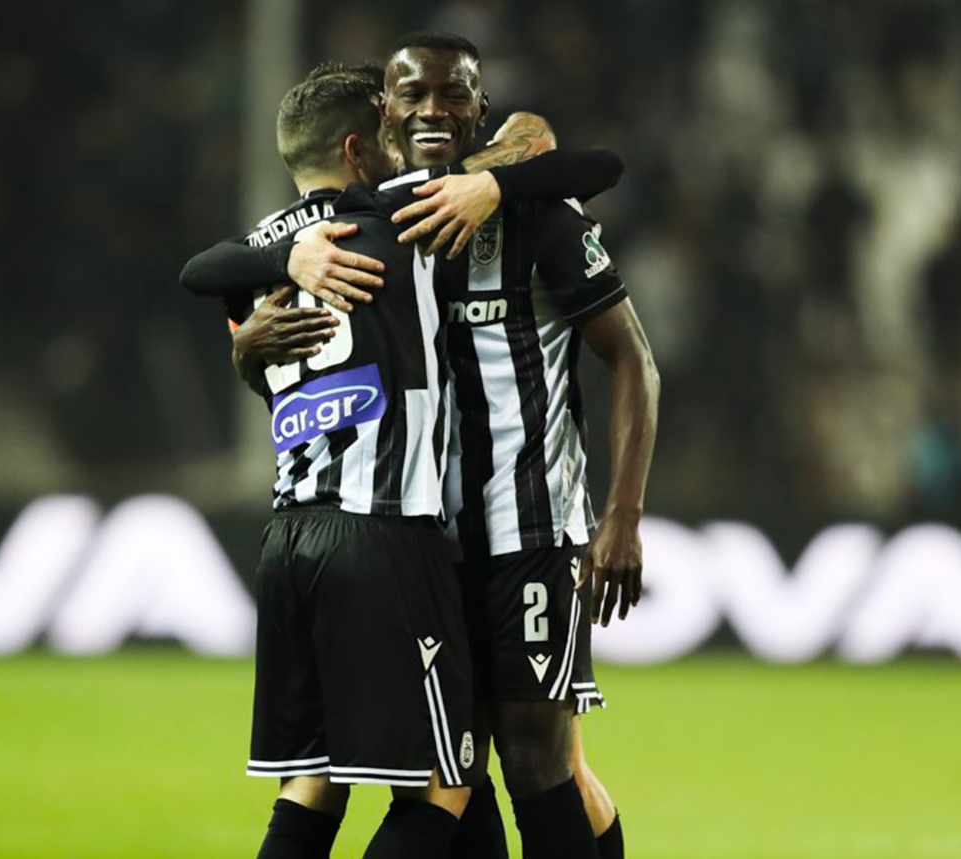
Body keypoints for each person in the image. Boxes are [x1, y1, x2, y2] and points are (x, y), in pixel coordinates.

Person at [178, 63, 623, 859]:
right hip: (384, 536)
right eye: (390, 128)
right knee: (449, 780)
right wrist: (493, 183)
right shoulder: (398, 215)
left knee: (312, 784)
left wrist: (282, 265)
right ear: (360, 149)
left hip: (287, 539)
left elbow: (199, 271)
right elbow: (587, 164)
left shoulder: (257, 255)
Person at [379, 32, 660, 859]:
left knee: (537, 762)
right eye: (414, 95)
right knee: (448, 769)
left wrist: (622, 516)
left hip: (530, 530)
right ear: (386, 114)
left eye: (453, 95)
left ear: (479, 111)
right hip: (424, 541)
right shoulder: (373, 220)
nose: (433, 110)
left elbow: (634, 361)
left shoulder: (541, 215)